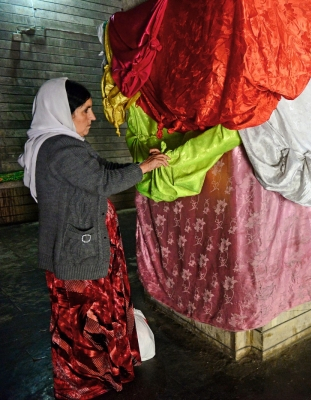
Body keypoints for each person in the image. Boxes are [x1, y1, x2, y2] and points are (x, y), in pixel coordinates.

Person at [18, 77, 169, 399]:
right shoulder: (59, 147)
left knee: (95, 311)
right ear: (62, 111)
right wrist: (143, 168)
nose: (93, 117)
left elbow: (103, 168)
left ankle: (108, 369)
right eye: (85, 110)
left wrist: (138, 165)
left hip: (86, 249)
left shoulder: (64, 143)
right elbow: (101, 182)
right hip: (78, 255)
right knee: (87, 317)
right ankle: (89, 381)